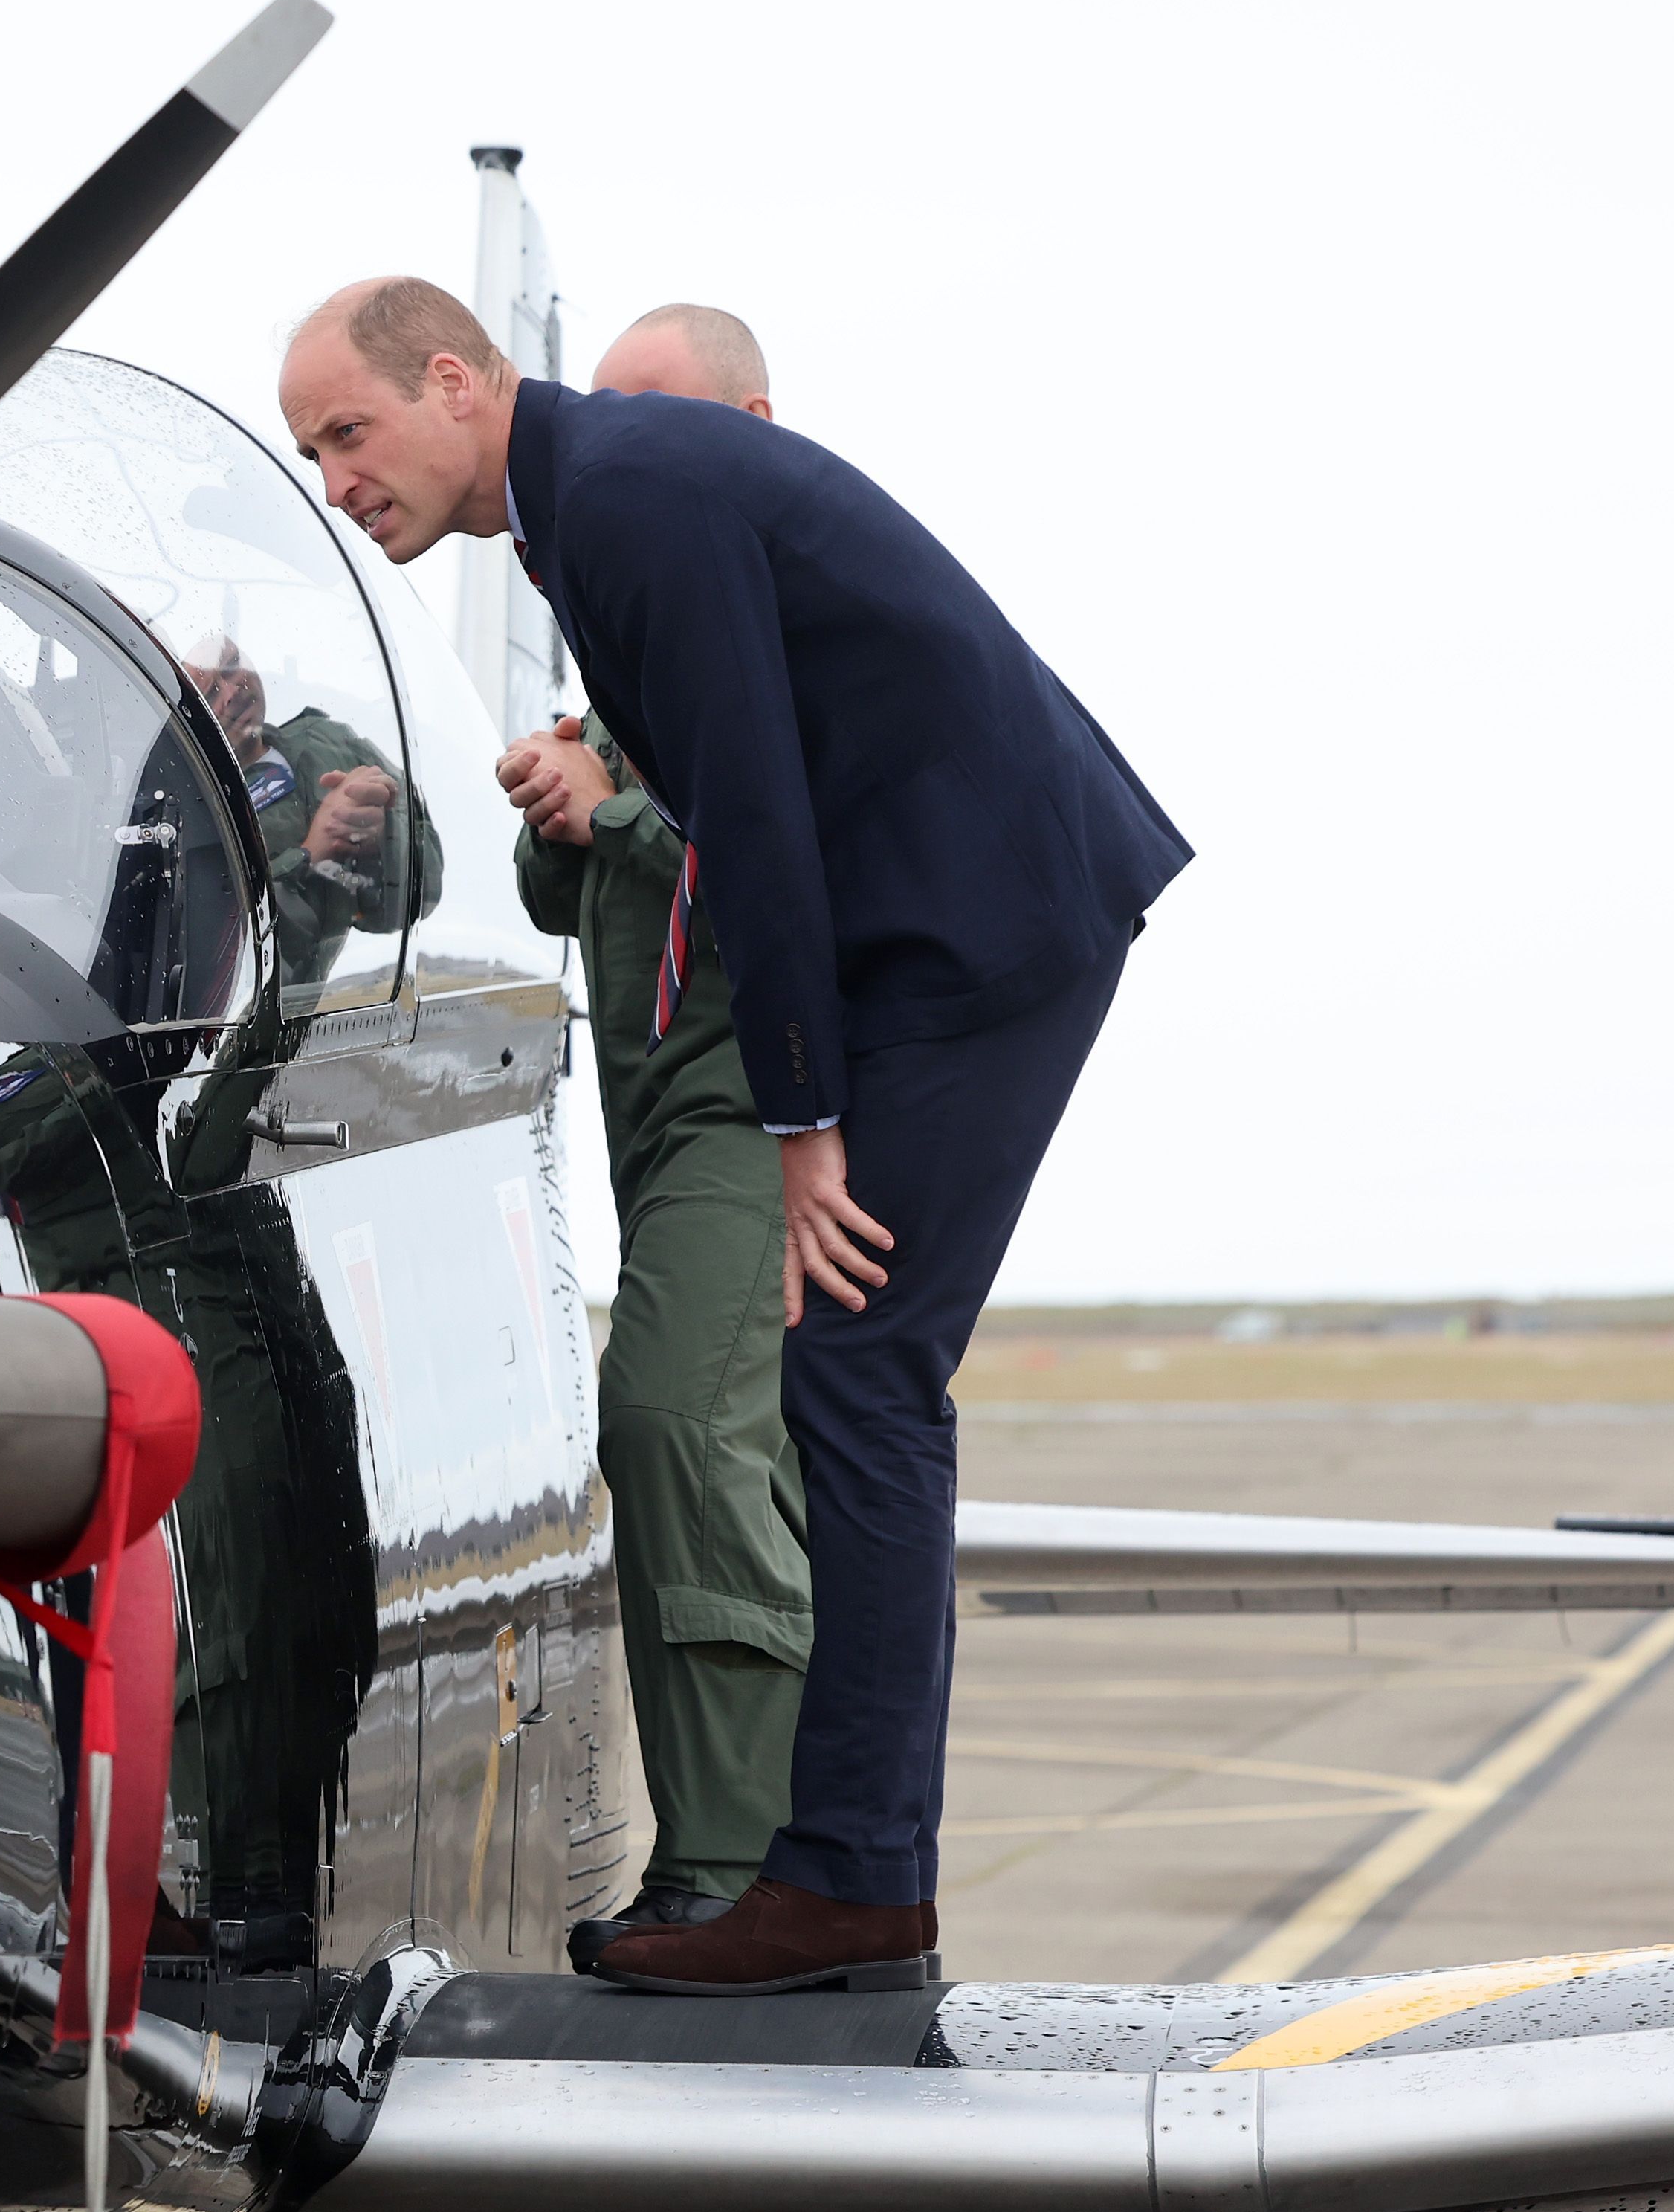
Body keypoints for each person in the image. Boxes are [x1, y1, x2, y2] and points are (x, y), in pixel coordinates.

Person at [278, 277, 1187, 1993]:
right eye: (311, 448)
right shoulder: (586, 507)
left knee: (851, 1373)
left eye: (348, 430)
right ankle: (845, 1881)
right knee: (850, 1376)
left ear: (455, 382)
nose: (336, 475)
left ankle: (841, 1887)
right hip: (949, 922)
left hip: (975, 924)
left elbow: (749, 808)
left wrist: (797, 1121)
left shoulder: (621, 496)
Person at [498, 305, 808, 1969]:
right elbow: (573, 888)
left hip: (757, 1113)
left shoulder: (778, 624)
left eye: (656, 418)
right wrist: (558, 788)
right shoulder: (633, 649)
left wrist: (607, 809)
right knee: (687, 1441)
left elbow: (772, 838)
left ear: (750, 422)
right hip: (653, 1132)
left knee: (680, 1427)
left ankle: (736, 1861)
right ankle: (732, 1853)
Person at [179, 636, 432, 990]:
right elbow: (224, 956)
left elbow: (422, 891)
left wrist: (382, 836)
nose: (235, 689)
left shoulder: (329, 743)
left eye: (234, 666)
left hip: (349, 995)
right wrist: (310, 854)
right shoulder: (194, 810)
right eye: (211, 691)